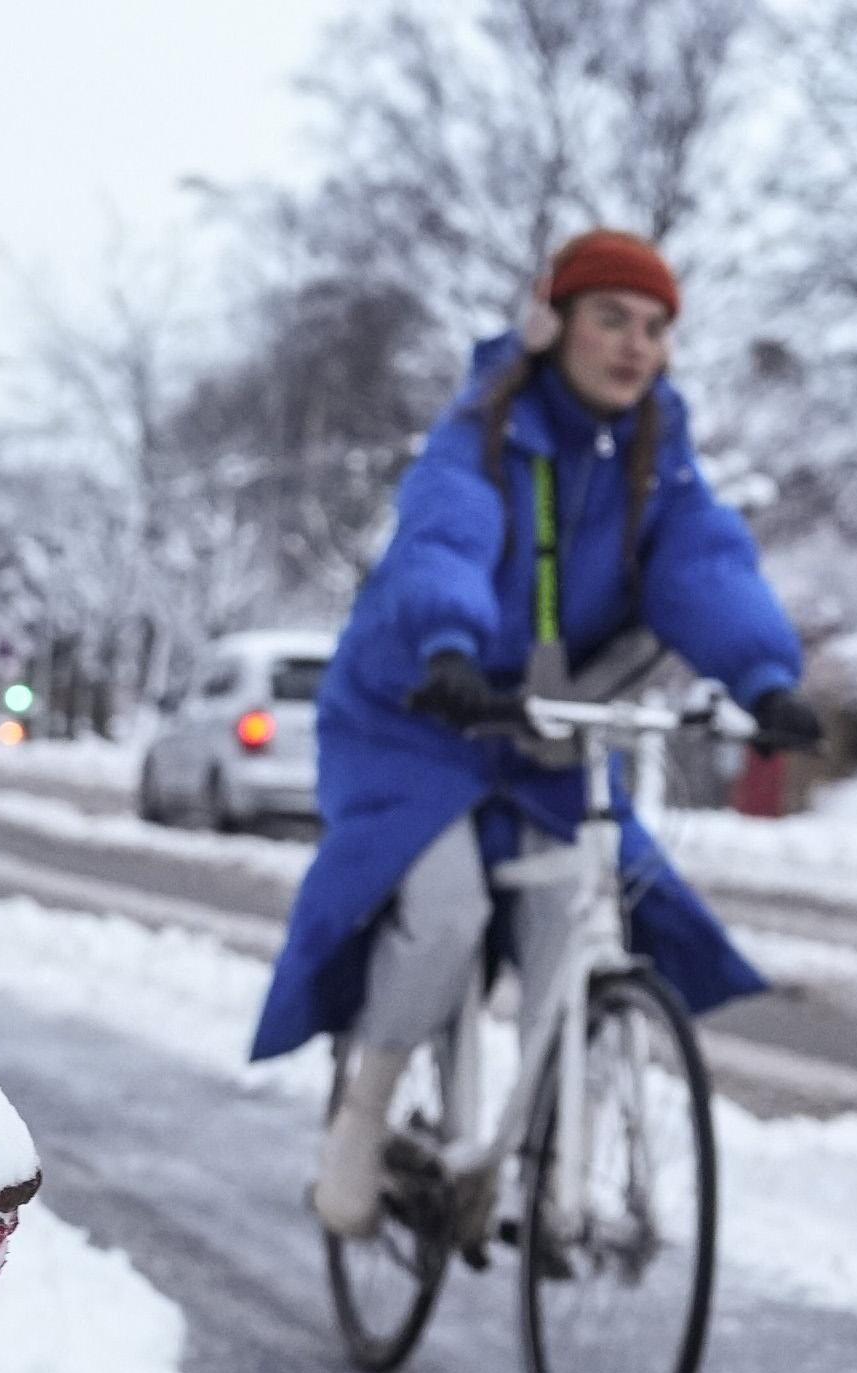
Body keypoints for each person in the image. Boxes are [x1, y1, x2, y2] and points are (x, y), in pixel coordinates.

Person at [248, 228, 823, 1237]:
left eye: (652, 328)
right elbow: (445, 538)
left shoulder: (658, 460)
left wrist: (765, 678)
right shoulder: (479, 435)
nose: (633, 345)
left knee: (585, 906)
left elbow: (704, 569)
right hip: (416, 709)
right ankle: (359, 1124)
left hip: (540, 727)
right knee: (448, 906)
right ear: (551, 324)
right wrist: (448, 648)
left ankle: (552, 1161)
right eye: (609, 318)